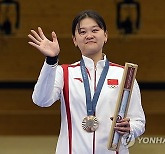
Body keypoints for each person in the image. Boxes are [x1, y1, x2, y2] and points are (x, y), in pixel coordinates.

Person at [28, 10, 145, 154]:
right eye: (82, 32)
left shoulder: (124, 74)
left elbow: (139, 122)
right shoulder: (64, 72)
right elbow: (41, 100)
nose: (89, 35)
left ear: (105, 36)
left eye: (95, 30)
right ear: (75, 40)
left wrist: (130, 128)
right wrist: (51, 61)